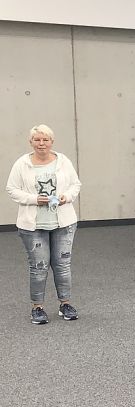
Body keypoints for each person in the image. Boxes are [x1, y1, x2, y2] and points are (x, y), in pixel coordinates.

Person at [6, 124, 82, 325]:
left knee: (62, 265)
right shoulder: (22, 164)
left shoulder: (63, 161)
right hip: (33, 226)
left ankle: (65, 303)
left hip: (63, 223)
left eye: (45, 139)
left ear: (52, 142)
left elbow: (76, 185)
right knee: (39, 267)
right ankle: (37, 307)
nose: (41, 143)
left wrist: (67, 196)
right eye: (37, 140)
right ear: (31, 142)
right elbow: (11, 189)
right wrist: (34, 199)